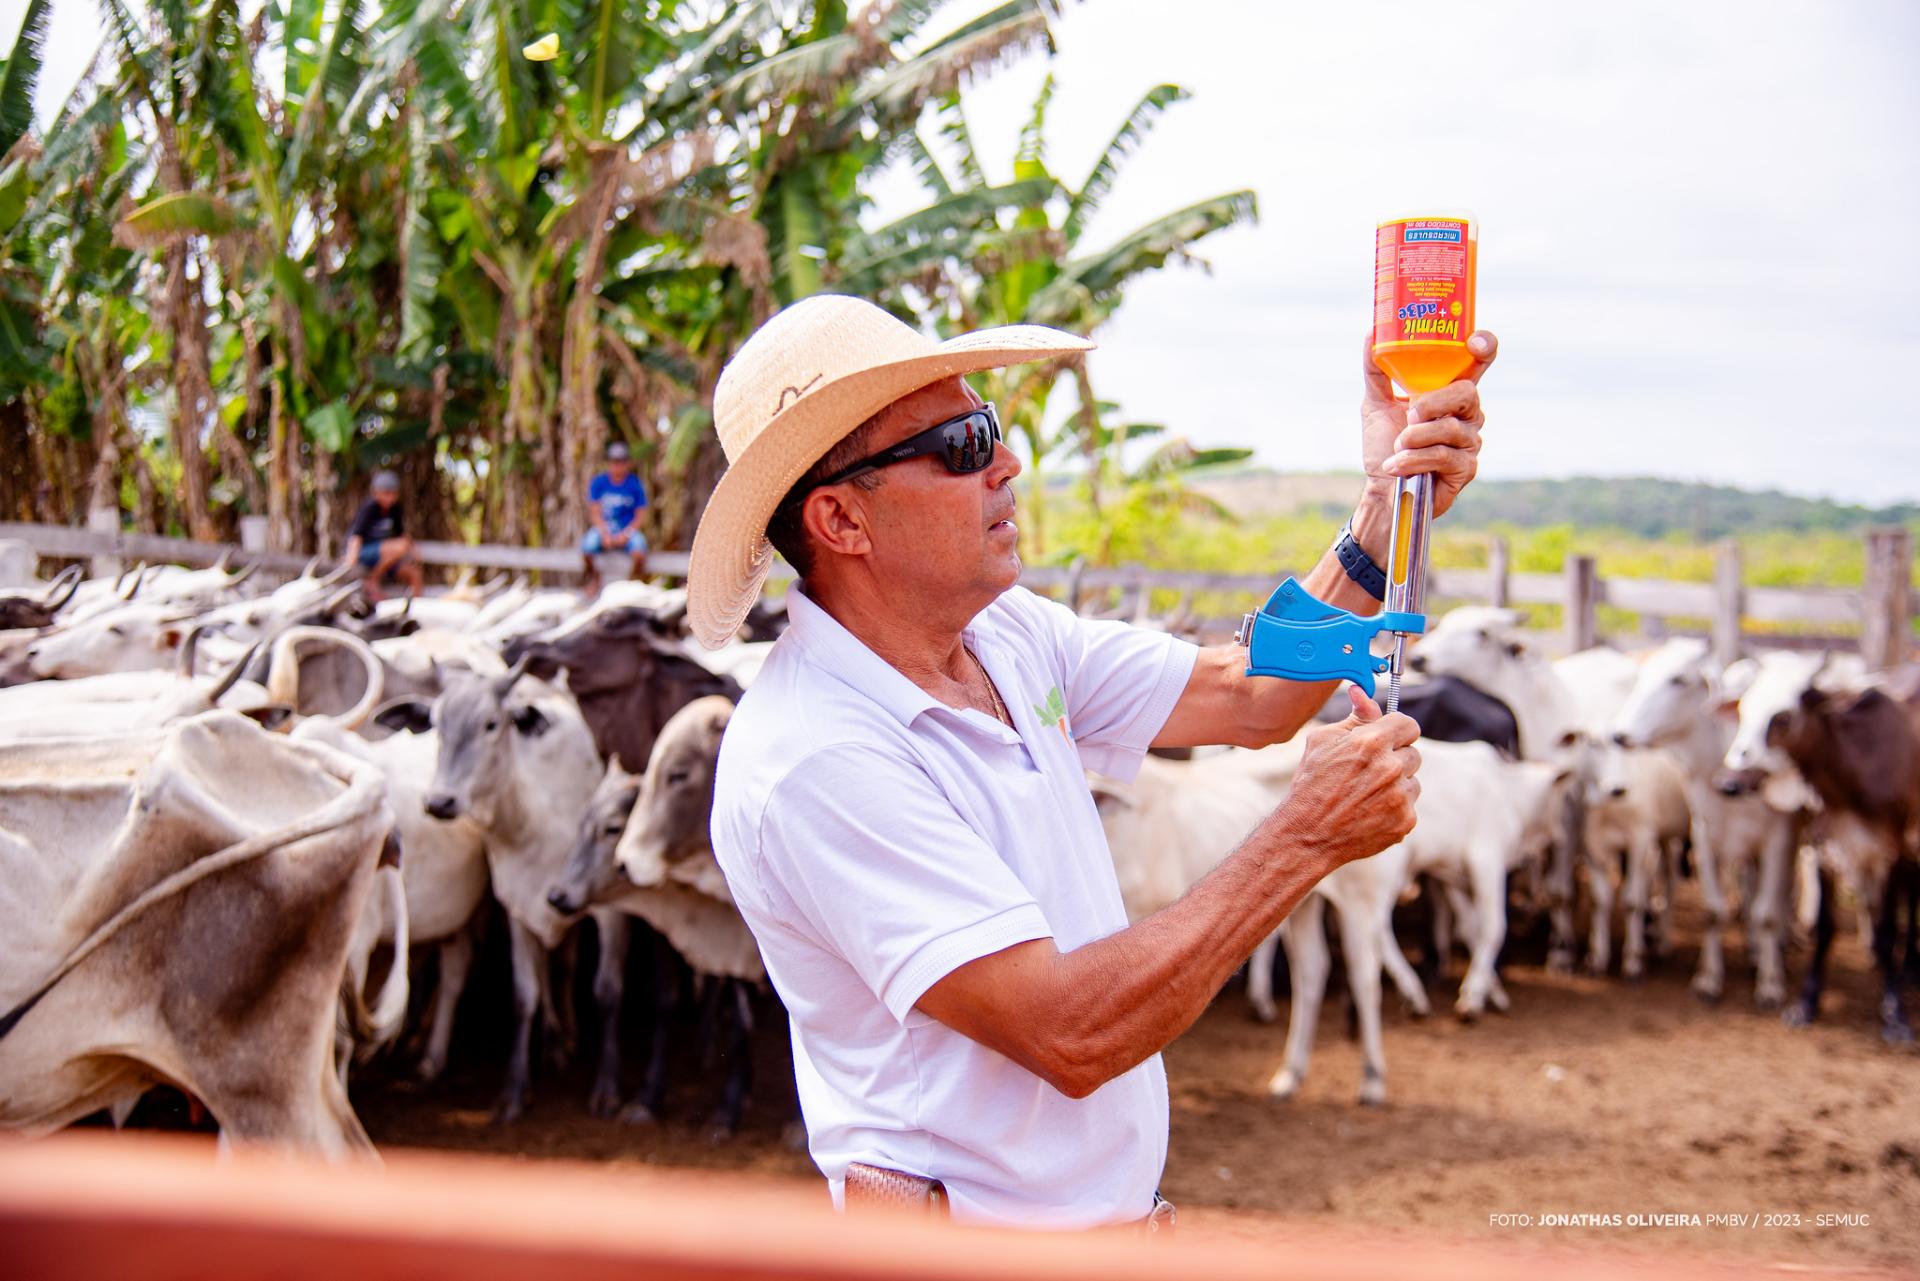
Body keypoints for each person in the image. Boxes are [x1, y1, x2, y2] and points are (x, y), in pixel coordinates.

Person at [685, 295, 1494, 1230]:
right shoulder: (817, 757)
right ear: (841, 520)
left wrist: (1388, 506)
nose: (1006, 461)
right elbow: (1068, 1030)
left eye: (987, 425)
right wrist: (1304, 839)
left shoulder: (1002, 634)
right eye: (960, 444)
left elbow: (1251, 695)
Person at [342, 470, 422, 602]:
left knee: (414, 573)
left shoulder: (395, 509)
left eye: (392, 494)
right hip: (365, 552)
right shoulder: (369, 508)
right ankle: (373, 581)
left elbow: (401, 534)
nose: (389, 498)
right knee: (400, 547)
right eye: (386, 493)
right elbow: (356, 536)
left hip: (385, 558)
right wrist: (350, 562)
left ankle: (416, 607)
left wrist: (414, 551)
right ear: (376, 493)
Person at [581, 440, 649, 591]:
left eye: (621, 462)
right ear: (609, 462)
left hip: (627, 529)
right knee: (587, 547)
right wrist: (604, 532)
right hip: (605, 529)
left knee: (639, 550)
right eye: (614, 461)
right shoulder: (599, 483)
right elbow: (595, 512)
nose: (618, 466)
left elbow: (640, 515)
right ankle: (594, 578)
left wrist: (626, 534)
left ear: (627, 463)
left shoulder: (635, 485)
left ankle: (634, 582)